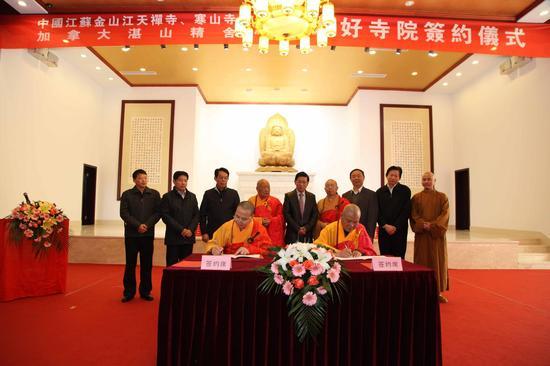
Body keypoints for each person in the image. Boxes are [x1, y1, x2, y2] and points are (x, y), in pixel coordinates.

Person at [119, 169, 161, 303]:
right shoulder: (127, 194)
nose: (143, 180)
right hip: (132, 235)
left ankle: (145, 291)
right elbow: (124, 214)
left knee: (147, 265)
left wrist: (147, 225)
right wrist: (137, 225)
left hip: (147, 234)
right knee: (130, 264)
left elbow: (158, 213)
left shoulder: (154, 194)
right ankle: (129, 292)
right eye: (140, 178)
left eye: (145, 178)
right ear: (134, 180)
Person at [410, 172, 450, 303]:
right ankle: (421, 291)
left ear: (434, 181)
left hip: (436, 237)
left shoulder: (442, 197)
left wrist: (432, 226)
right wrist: (422, 225)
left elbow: (444, 215)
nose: (426, 181)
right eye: (424, 179)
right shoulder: (416, 198)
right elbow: (414, 215)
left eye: (429, 179)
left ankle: (437, 292)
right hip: (422, 237)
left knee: (437, 263)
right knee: (421, 262)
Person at [160, 171, 200, 266]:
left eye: (185, 180)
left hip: (188, 238)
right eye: (180, 180)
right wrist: (181, 230)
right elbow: (165, 216)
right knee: (172, 265)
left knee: (187, 266)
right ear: (174, 181)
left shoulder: (192, 196)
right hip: (173, 238)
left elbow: (196, 215)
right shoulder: (167, 197)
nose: (183, 183)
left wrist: (190, 229)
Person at [206, 201, 272, 255]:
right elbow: (213, 243)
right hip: (229, 263)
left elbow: (268, 250)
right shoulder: (227, 226)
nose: (239, 221)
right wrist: (213, 249)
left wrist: (250, 249)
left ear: (252, 217)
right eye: (237, 216)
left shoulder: (259, 229)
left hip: (250, 266)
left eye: (244, 219)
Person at [376, 166, 411, 259]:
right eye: (391, 175)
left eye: (396, 176)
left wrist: (396, 226)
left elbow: (406, 211)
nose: (393, 177)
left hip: (400, 230)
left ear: (399, 178)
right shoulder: (379, 192)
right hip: (384, 230)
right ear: (386, 176)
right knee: (385, 256)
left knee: (399, 257)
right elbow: (377, 211)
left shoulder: (405, 190)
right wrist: (385, 225)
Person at [199, 167, 240, 243]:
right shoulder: (208, 194)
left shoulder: (233, 193)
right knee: (213, 253)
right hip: (212, 231)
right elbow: (202, 215)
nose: (223, 180)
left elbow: (237, 214)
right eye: (221, 178)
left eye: (226, 178)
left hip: (229, 231)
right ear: (215, 178)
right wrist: (204, 232)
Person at [343, 168, 379, 241]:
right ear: (350, 179)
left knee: (364, 252)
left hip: (364, 232)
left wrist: (369, 235)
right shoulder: (345, 195)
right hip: (348, 233)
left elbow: (372, 217)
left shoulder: (371, 194)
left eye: (359, 176)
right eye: (353, 176)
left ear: (363, 178)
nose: (356, 178)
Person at [283, 171, 319, 243]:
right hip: (292, 234)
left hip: (307, 234)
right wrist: (297, 228)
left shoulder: (312, 197)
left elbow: (314, 214)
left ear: (307, 183)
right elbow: (286, 214)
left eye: (304, 182)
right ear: (295, 182)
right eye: (299, 182)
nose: (301, 184)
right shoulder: (289, 196)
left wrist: (306, 228)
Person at [248, 179, 285, 246]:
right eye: (264, 187)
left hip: (272, 235)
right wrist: (260, 220)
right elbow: (247, 218)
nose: (267, 190)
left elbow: (281, 218)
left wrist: (271, 221)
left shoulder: (276, 201)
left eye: (268, 187)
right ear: (257, 189)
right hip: (258, 233)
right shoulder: (251, 201)